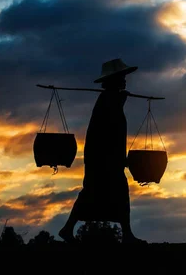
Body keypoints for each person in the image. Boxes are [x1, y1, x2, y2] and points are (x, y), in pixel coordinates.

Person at [59, 58, 146, 244]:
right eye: (121, 77)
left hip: (108, 158)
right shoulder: (108, 100)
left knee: (107, 194)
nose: (125, 80)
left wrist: (120, 101)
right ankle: (126, 235)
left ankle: (69, 229)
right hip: (103, 160)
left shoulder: (111, 99)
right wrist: (119, 101)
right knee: (98, 193)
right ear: (113, 80)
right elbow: (106, 130)